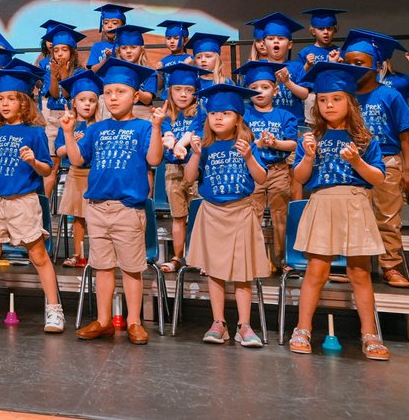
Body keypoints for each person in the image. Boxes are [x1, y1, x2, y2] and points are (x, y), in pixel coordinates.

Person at [59, 57, 164, 345]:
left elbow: (154, 159)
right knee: (102, 267)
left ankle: (133, 321)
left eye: (121, 92)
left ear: (135, 95)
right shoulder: (96, 129)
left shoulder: (143, 128)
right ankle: (104, 321)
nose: (114, 97)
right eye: (109, 93)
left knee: (131, 268)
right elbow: (78, 160)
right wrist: (68, 133)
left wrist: (156, 128)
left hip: (128, 209)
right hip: (97, 208)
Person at [289, 61, 389, 361]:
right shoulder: (311, 138)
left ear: (350, 101)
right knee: (316, 270)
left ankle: (370, 334)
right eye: (322, 100)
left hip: (355, 203)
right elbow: (301, 178)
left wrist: (357, 162)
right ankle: (302, 328)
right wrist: (307, 157)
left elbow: (378, 177)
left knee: (359, 272)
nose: (329, 105)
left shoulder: (364, 138)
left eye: (336, 99)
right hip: (322, 203)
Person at [0, 62, 64, 333]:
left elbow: (47, 168)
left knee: (39, 256)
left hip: (23, 202)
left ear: (25, 103)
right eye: (1, 99)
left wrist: (32, 161)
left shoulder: (35, 132)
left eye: (11, 99)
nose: (5, 104)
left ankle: (54, 310)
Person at [181, 83, 270, 348]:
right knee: (215, 273)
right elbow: (188, 178)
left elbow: (261, 178)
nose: (218, 118)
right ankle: (218, 323)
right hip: (212, 213)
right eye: (213, 114)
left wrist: (250, 156)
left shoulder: (246, 145)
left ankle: (244, 325)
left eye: (226, 113)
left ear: (238, 118)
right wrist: (195, 155)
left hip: (241, 212)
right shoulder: (205, 147)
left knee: (243, 274)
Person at [339, 30, 409, 288]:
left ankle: (390, 265)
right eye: (348, 63)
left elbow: (405, 135)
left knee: (387, 216)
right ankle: (352, 265)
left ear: (375, 65)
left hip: (387, 161)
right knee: (354, 218)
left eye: (359, 63)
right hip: (352, 163)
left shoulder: (390, 95)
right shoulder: (345, 97)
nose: (353, 68)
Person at [236, 61, 298, 272]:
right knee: (253, 215)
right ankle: (258, 260)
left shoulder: (285, 115)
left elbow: (292, 144)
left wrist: (274, 143)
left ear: (276, 89)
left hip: (278, 170)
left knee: (280, 215)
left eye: (265, 87)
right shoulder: (243, 115)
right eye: (253, 89)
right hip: (253, 172)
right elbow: (238, 143)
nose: (259, 92)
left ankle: (282, 260)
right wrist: (257, 145)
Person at [158, 63, 207, 273]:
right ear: (170, 91)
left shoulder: (201, 113)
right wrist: (171, 144)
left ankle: (202, 258)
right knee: (178, 217)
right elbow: (166, 135)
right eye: (178, 89)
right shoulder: (166, 114)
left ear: (195, 93)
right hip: (172, 170)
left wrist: (179, 146)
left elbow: (191, 134)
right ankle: (178, 256)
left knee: (198, 215)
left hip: (196, 170)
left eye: (189, 90)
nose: (183, 94)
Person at [55, 71, 103, 268]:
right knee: (78, 217)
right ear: (74, 102)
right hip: (77, 174)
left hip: (97, 175)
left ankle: (98, 253)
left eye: (92, 100)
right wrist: (71, 139)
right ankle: (78, 254)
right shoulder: (69, 125)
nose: (87, 104)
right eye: (82, 100)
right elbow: (58, 151)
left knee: (96, 217)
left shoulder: (101, 126)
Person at [87, 3, 132, 68]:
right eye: (105, 23)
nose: (109, 26)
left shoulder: (126, 47)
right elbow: (93, 71)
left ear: (122, 26)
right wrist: (106, 59)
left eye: (114, 23)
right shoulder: (97, 46)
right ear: (102, 26)